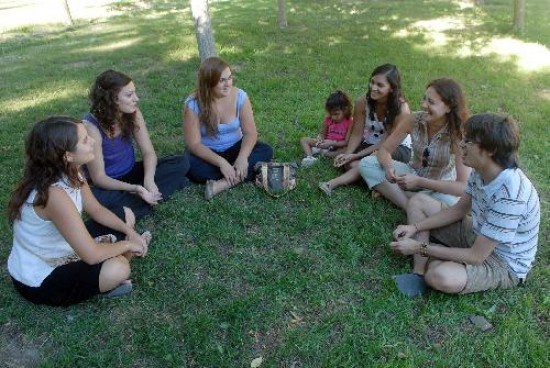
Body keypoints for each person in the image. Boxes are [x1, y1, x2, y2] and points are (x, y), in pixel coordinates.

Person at [7, 117, 151, 306]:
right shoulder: (53, 195)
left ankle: (116, 252)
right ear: (67, 155)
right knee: (119, 268)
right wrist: (129, 245)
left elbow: (97, 210)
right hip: (41, 277)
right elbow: (90, 255)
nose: (92, 140)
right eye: (85, 140)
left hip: (66, 244)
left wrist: (130, 232)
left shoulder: (72, 171)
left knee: (124, 213)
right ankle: (114, 266)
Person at [391, 113, 540, 295]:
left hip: (502, 262)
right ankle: (419, 272)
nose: (461, 145)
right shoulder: (480, 171)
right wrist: (415, 227)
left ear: (490, 150)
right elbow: (459, 209)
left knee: (440, 276)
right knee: (419, 202)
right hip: (478, 234)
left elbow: (476, 256)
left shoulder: (511, 195)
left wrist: (418, 247)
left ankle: (432, 256)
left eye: (468, 141)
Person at [84, 70, 189, 234]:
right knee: (98, 199)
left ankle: (135, 203)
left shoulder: (133, 114)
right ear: (112, 99)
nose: (136, 99)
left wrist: (148, 181)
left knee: (181, 162)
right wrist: (136, 188)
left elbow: (148, 152)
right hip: (107, 186)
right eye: (129, 95)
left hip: (131, 172)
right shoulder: (92, 127)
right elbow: (99, 178)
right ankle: (145, 198)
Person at [359, 78, 471, 209]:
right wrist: (389, 168)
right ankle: (410, 206)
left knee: (453, 204)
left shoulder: (458, 134)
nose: (423, 105)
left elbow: (463, 187)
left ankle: (395, 194)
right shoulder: (414, 119)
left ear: (449, 107)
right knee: (367, 164)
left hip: (439, 186)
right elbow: (384, 150)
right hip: (411, 174)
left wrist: (420, 182)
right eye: (424, 99)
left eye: (431, 102)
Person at [183, 57, 273, 200]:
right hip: (208, 153)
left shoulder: (240, 96)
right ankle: (244, 171)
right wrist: (222, 163)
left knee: (265, 150)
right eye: (221, 80)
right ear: (208, 83)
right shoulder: (193, 104)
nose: (228, 84)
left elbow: (250, 133)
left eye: (229, 78)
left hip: (235, 147)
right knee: (190, 166)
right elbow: (194, 144)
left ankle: (223, 183)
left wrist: (243, 157)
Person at [318, 64, 412, 196]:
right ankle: (380, 184)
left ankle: (332, 183)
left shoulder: (401, 110)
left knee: (361, 163)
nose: (373, 87)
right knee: (349, 163)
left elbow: (384, 145)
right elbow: (357, 133)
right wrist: (348, 154)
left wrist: (355, 155)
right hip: (370, 142)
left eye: (380, 85)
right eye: (372, 82)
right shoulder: (362, 101)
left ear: (391, 88)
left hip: (395, 147)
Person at [300, 90, 353, 168]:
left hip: (337, 146)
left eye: (336, 114)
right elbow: (322, 134)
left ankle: (325, 154)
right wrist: (320, 139)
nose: (333, 117)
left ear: (345, 110)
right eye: (331, 114)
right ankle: (310, 158)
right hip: (325, 144)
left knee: (347, 149)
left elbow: (346, 142)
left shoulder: (350, 122)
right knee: (304, 140)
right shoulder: (328, 119)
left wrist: (332, 143)